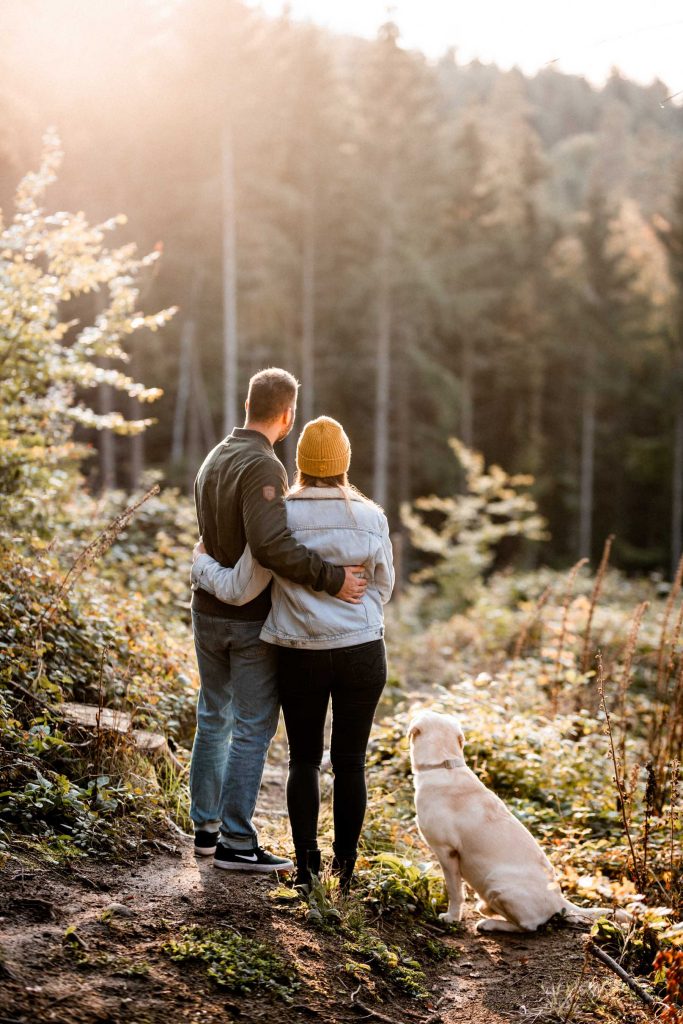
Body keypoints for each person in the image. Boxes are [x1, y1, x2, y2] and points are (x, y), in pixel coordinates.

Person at [192, 415, 394, 891]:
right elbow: (382, 588)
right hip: (361, 652)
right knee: (351, 762)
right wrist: (348, 600)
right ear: (344, 462)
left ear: (300, 461)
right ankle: (345, 873)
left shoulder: (281, 514)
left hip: (298, 652)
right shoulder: (370, 516)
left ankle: (306, 869)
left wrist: (201, 566)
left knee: (302, 759)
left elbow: (257, 576)